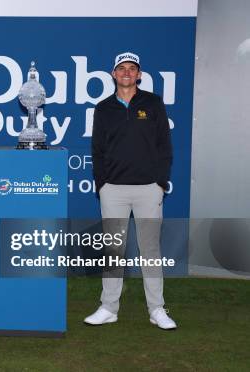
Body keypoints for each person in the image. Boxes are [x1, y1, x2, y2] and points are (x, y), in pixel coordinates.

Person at [86, 52, 177, 330]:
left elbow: (164, 146)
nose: (126, 73)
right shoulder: (103, 108)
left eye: (132, 69)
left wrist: (159, 182)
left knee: (150, 249)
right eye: (121, 69)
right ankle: (109, 307)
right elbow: (97, 151)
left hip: (149, 189)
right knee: (113, 251)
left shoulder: (153, 103)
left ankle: (157, 310)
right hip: (113, 189)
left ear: (139, 74)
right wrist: (102, 184)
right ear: (113, 74)